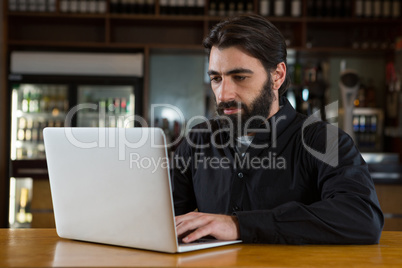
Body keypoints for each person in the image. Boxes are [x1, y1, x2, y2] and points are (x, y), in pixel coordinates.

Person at [172, 14, 383, 245]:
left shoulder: (324, 139)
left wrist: (238, 225)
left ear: (277, 76)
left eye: (240, 77)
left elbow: (362, 217)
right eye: (216, 78)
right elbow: (162, 217)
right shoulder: (197, 140)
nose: (223, 94)